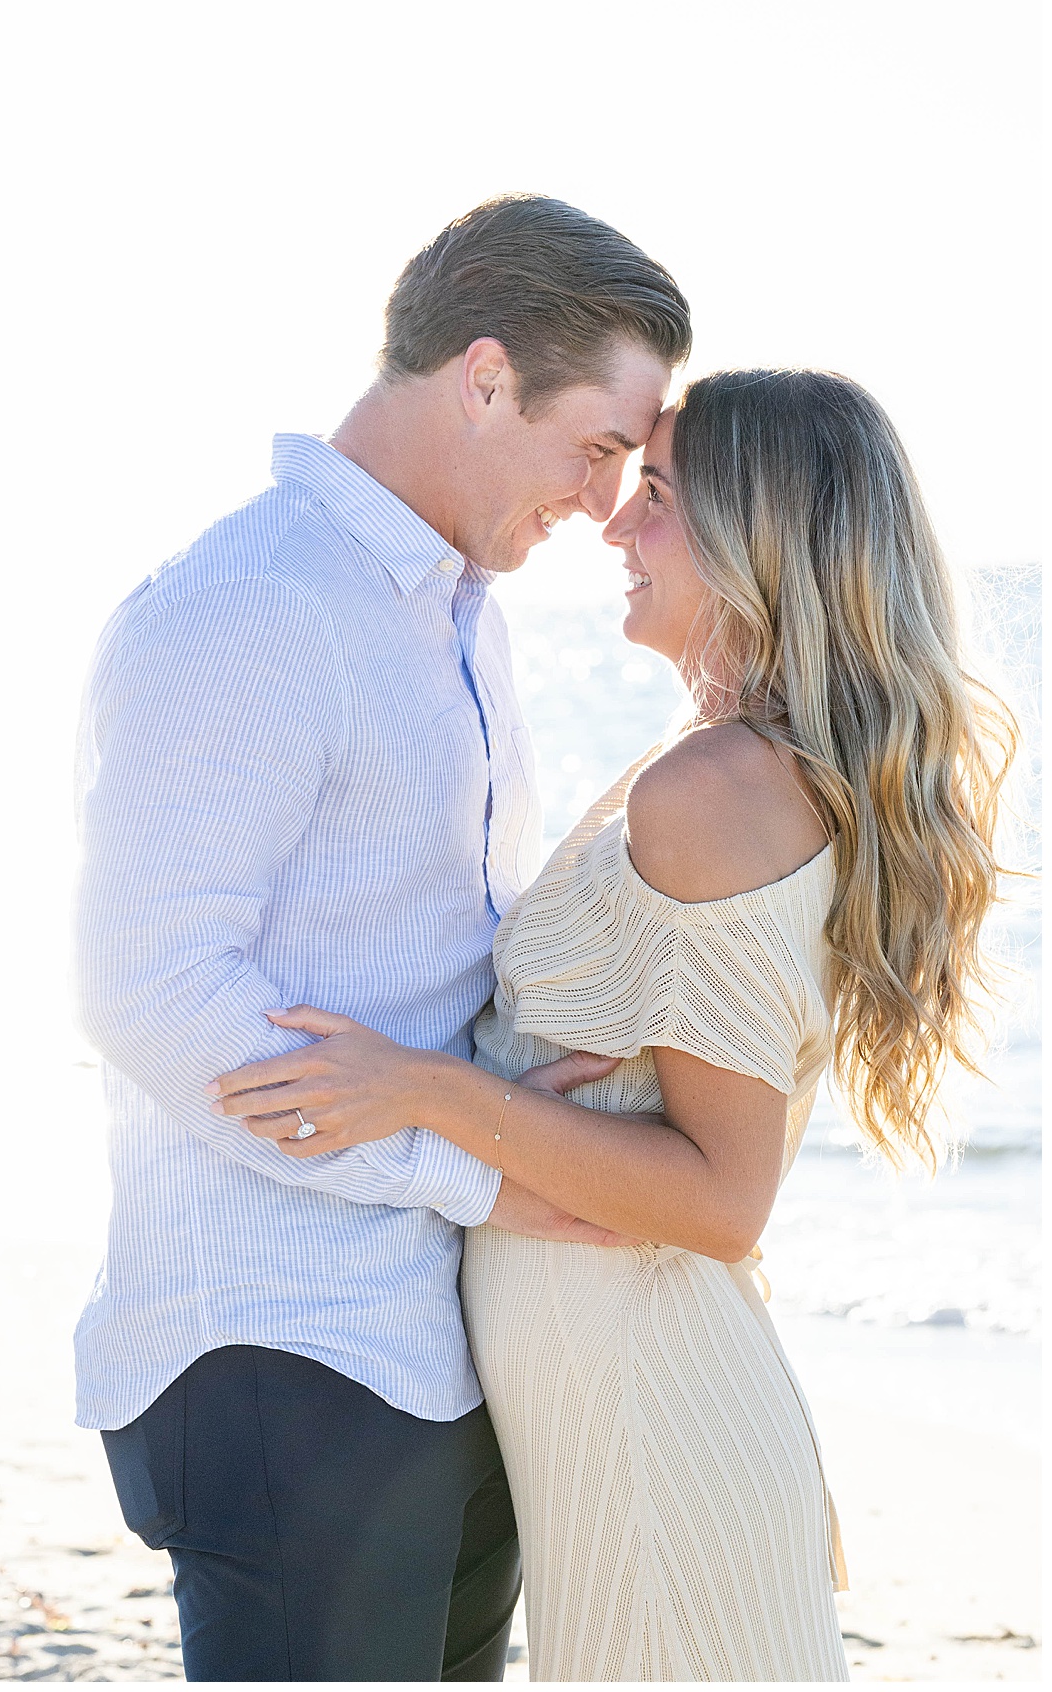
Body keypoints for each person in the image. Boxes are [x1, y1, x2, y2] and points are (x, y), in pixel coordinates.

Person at [211, 369, 1018, 1682]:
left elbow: (720, 1199)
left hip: (658, 1436)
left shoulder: (717, 788)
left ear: (762, 538)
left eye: (659, 496)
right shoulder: (719, 764)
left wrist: (422, 1090)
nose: (613, 525)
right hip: (626, 1427)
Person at [72, 194, 691, 1682]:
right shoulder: (255, 605)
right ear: (485, 378)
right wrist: (473, 1170)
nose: (609, 499)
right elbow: (148, 992)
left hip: (428, 1331)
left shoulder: (448, 608)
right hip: (282, 1343)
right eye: (598, 444)